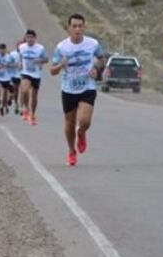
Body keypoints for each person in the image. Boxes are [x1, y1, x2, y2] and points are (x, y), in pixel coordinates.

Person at [49, 14, 106, 166]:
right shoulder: (61, 47)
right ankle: (71, 151)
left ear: (84, 27)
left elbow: (102, 59)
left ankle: (81, 132)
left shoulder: (92, 44)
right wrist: (61, 65)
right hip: (68, 89)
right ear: (69, 28)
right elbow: (52, 71)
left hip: (87, 86)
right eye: (74, 26)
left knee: (85, 121)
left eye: (80, 26)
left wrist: (96, 69)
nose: (77, 29)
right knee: (69, 123)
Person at [18, 29, 48, 125]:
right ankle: (26, 109)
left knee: (34, 96)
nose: (30, 39)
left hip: (36, 74)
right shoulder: (22, 47)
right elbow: (20, 56)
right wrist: (20, 63)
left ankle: (33, 114)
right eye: (28, 37)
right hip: (25, 72)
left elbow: (46, 59)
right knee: (24, 90)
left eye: (32, 38)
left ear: (35, 38)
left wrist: (39, 61)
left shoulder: (40, 48)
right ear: (25, 38)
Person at [0, 43, 16, 116]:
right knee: (0, 91)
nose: (2, 51)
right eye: (0, 49)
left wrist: (8, 65)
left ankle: (4, 106)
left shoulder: (9, 57)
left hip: (7, 77)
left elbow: (15, 65)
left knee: (5, 93)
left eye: (3, 49)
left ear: (5, 49)